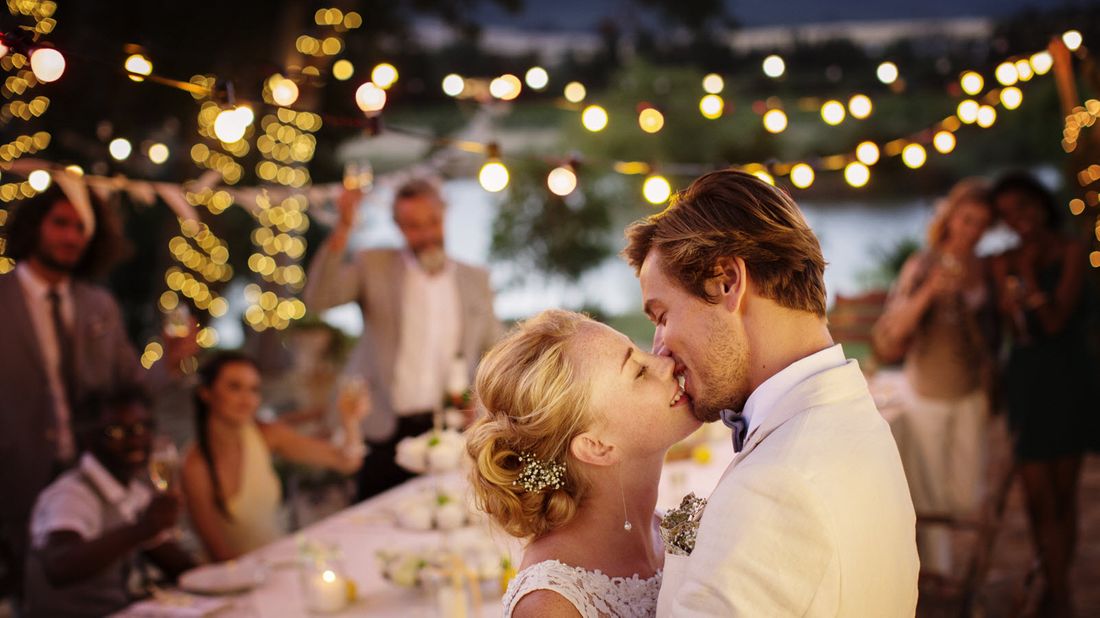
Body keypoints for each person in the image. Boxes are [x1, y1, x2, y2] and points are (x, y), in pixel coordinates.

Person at [621, 169, 919, 616]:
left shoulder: (775, 486)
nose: (658, 348)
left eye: (662, 315)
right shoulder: (854, 417)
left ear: (727, 282)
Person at [0, 186, 194, 605]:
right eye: (60, 223)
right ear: (34, 226)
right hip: (17, 478)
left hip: (97, 474)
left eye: (81, 227)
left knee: (97, 587)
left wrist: (171, 362)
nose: (71, 237)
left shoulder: (98, 305)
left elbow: (131, 389)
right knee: (29, 593)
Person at [466, 309, 701, 617]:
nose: (666, 362)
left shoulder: (680, 531)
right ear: (597, 446)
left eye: (642, 353)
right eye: (639, 372)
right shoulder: (552, 607)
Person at [304, 179, 502, 500]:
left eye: (432, 222)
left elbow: (495, 349)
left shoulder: (475, 279)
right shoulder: (374, 264)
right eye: (412, 225)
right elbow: (318, 298)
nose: (425, 235)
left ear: (445, 216)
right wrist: (343, 227)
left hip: (451, 429)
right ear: (397, 226)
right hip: (382, 425)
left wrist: (481, 401)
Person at [871, 178, 999, 575]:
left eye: (981, 223)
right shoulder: (923, 264)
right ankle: (938, 574)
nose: (972, 230)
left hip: (970, 390)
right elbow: (893, 331)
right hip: (926, 388)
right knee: (927, 488)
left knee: (964, 491)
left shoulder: (987, 268)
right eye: (966, 219)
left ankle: (952, 568)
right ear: (950, 218)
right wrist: (930, 290)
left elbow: (994, 333)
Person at [989, 171, 1095, 617]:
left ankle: (1059, 589)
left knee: (1064, 492)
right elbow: (1019, 331)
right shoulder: (1000, 262)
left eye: (1025, 208)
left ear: (1042, 204)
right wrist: (1017, 299)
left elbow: (1054, 322)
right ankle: (1055, 583)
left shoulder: (1073, 251)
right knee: (1036, 497)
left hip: (1070, 377)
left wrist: (1029, 276)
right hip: (1029, 381)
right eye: (1008, 215)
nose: (1019, 220)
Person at [23, 388, 196, 618]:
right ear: (88, 438)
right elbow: (59, 565)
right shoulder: (71, 494)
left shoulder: (133, 491)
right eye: (116, 432)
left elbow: (176, 565)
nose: (135, 439)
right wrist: (142, 529)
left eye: (143, 427)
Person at [180, 352, 367, 561]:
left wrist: (350, 420)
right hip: (235, 577)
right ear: (206, 393)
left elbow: (346, 462)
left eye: (254, 389)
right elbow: (219, 555)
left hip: (279, 559)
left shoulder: (264, 434)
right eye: (234, 387)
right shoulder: (195, 465)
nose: (247, 399)